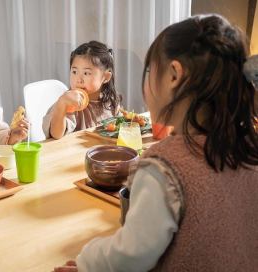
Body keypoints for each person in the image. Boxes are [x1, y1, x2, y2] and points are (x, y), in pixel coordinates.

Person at [54, 14, 258, 272]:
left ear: (174, 75)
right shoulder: (247, 146)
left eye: (150, 70)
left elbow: (129, 256)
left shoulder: (164, 167)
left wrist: (87, 261)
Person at [43, 40, 121, 139]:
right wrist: (62, 104)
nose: (78, 80)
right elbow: (56, 134)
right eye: (74, 72)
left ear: (106, 77)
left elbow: (119, 129)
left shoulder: (111, 101)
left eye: (86, 73)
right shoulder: (70, 103)